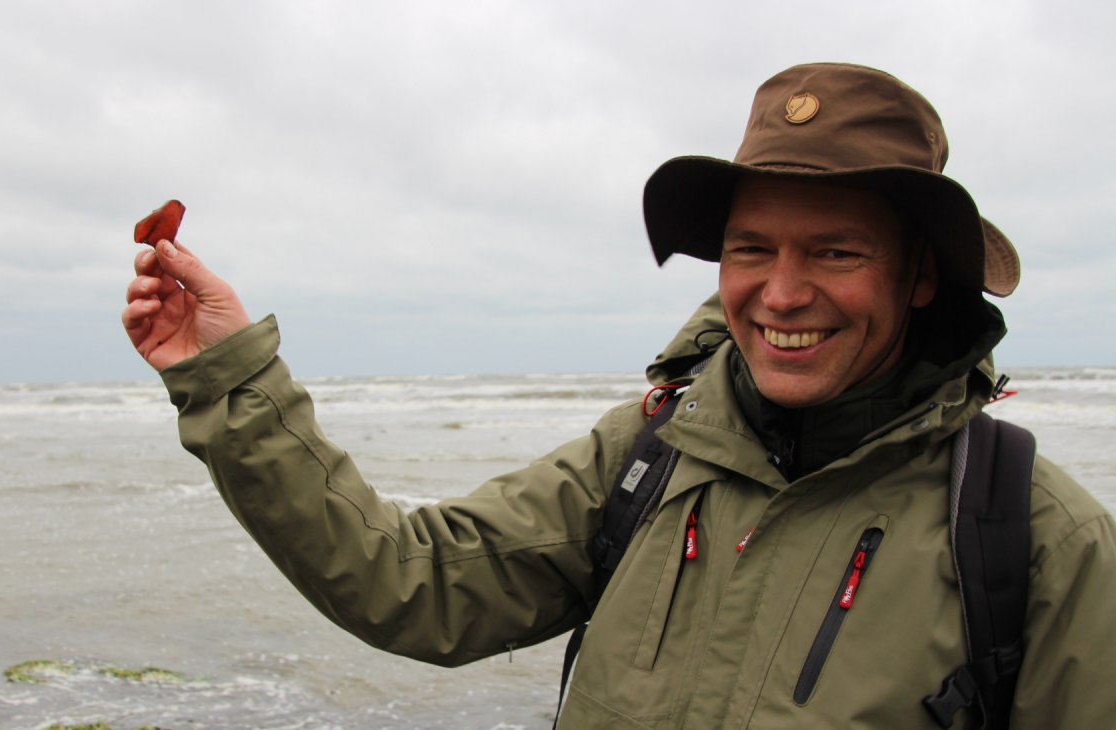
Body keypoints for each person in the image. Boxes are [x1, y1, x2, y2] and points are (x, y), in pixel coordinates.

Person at [122, 63, 1115, 728]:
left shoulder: (1029, 539)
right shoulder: (648, 455)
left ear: (918, 276)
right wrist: (232, 376)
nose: (778, 291)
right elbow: (405, 581)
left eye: (835, 251)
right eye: (748, 248)